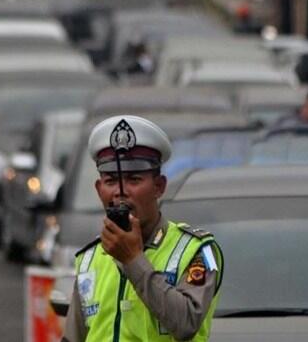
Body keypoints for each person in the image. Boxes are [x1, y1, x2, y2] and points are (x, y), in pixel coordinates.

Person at [62, 115, 224, 342]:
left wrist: (133, 260)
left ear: (159, 187)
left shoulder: (195, 251)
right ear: (99, 190)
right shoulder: (90, 258)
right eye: (110, 181)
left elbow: (186, 323)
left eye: (134, 180)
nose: (120, 191)